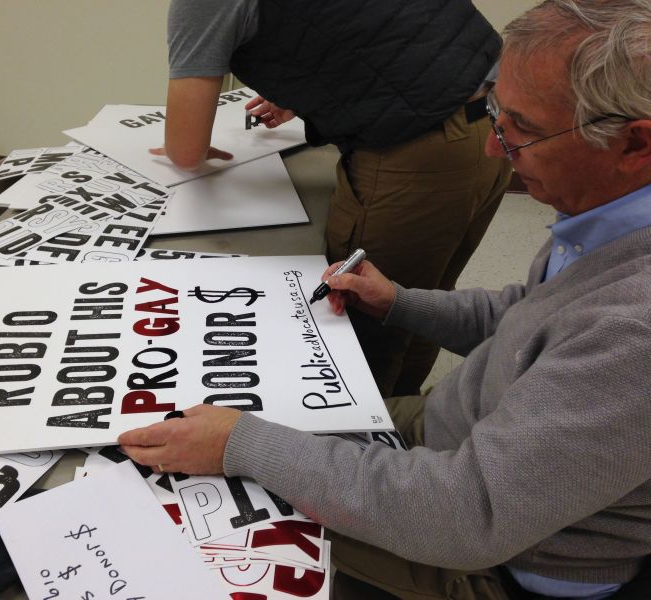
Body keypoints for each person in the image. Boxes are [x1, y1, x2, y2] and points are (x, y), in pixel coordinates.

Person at [121, 0, 651, 598]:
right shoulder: (608, 220)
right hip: (458, 441)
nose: (491, 149)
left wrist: (239, 444)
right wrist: (397, 300)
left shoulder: (635, 328)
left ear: (634, 144)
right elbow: (523, 317)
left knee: (174, 517)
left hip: (494, 555)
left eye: (522, 128)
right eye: (497, 114)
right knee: (221, 432)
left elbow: (465, 516)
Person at [153, 0, 513, 398]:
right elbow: (369, 25)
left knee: (360, 320)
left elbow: (186, 151)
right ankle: (402, 409)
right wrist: (310, 86)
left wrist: (181, 141)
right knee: (422, 302)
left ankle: (373, 426)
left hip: (421, 145)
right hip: (495, 115)